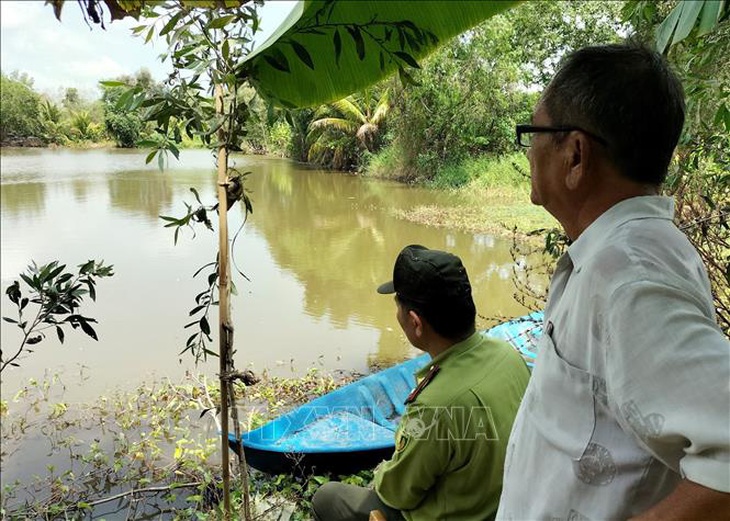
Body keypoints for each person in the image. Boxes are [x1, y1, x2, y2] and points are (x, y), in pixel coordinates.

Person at [497, 42, 730, 520]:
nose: (530, 149)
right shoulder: (618, 255)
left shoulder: (628, 275)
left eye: (535, 132)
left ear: (575, 155)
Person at [312, 244, 530, 521]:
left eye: (398, 306)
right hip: (502, 504)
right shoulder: (508, 355)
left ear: (415, 322)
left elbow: (397, 493)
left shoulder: (434, 405)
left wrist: (382, 473)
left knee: (328, 497)